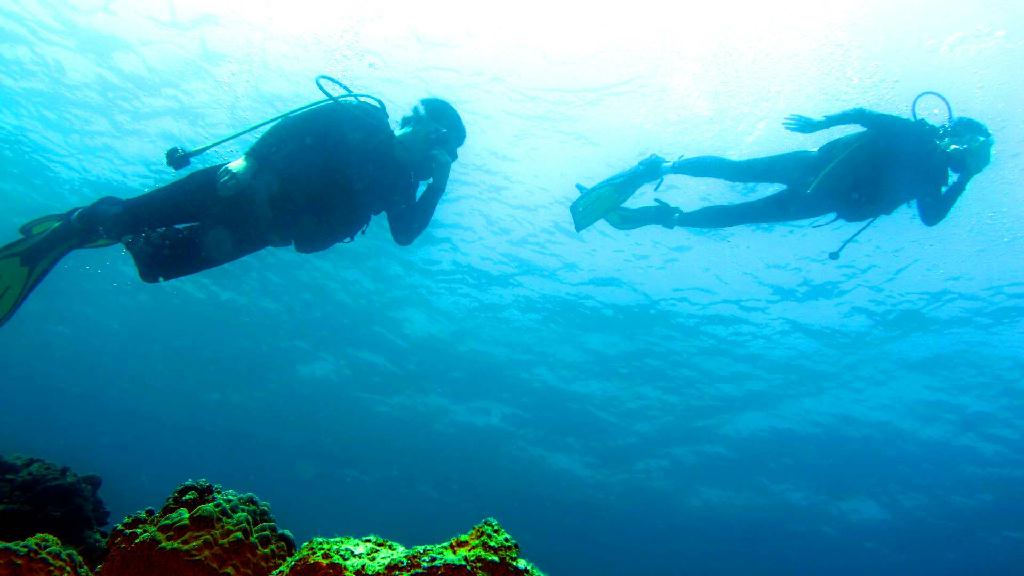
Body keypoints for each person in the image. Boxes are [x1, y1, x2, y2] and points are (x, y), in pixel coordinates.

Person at [0, 96, 466, 326]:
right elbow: (294, 126)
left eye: (445, 150)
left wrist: (439, 186)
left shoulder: (401, 185)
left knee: (153, 265)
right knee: (128, 217)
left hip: (260, 231)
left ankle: (102, 229)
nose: (439, 153)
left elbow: (405, 235)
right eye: (441, 141)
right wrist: (248, 160)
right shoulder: (361, 118)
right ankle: (73, 228)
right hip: (237, 187)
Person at [573, 107, 993, 246]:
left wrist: (966, 178)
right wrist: (820, 123)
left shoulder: (936, 178)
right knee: (737, 171)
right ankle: (660, 168)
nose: (970, 153)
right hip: (812, 167)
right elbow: (865, 115)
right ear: (955, 132)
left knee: (744, 215)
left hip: (823, 200)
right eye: (971, 143)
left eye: (979, 153)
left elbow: (931, 218)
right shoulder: (918, 134)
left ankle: (667, 217)